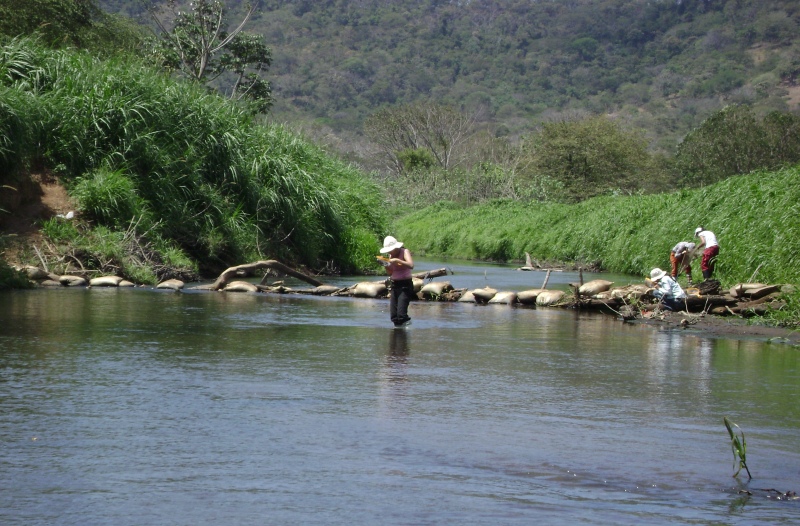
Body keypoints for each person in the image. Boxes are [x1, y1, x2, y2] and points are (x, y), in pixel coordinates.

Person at [379, 236, 415, 327]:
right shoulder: (391, 255)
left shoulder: (404, 251)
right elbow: (390, 273)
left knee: (401, 315)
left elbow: (411, 265)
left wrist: (398, 260)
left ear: (396, 247)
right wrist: (386, 265)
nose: (389, 252)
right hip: (395, 285)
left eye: (391, 249)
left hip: (405, 285)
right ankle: (396, 336)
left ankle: (406, 333)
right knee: (394, 316)